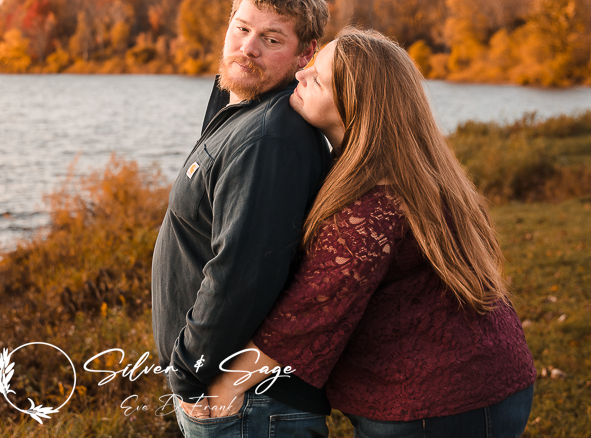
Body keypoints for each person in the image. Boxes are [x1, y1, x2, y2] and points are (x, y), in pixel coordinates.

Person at [204, 29, 537, 438]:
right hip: (495, 377)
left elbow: (313, 312)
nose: (301, 76)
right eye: (309, 65)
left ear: (355, 106)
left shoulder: (372, 201)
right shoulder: (417, 170)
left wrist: (224, 382)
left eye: (318, 78)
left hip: (436, 405)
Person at [151, 0, 333, 436]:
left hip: (244, 403)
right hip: (232, 396)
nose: (248, 48)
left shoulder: (269, 138)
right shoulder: (244, 109)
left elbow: (241, 275)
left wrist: (189, 374)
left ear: (305, 54)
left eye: (272, 39)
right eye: (241, 28)